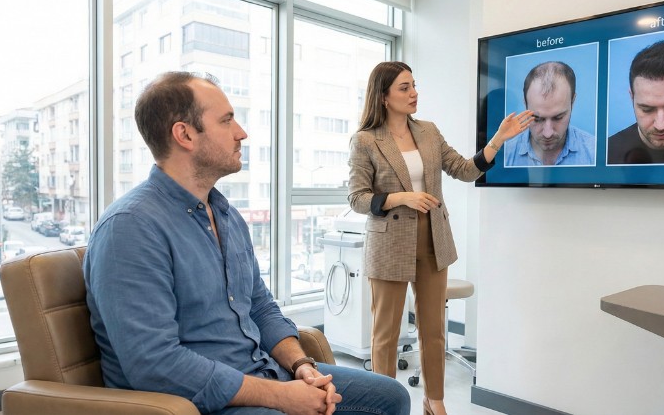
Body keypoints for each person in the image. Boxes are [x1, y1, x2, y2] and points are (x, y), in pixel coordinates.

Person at [84, 71, 411, 415]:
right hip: (201, 403)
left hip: (263, 372)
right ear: (184, 135)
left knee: (391, 397)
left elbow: (259, 306)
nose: (242, 133)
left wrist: (301, 366)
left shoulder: (225, 214)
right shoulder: (130, 229)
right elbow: (156, 364)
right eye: (226, 121)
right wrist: (282, 396)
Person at [347, 61, 533, 415]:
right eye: (404, 88)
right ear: (383, 96)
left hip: (433, 239)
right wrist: (403, 198)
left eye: (414, 85)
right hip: (389, 244)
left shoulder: (428, 132)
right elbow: (357, 198)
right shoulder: (366, 140)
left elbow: (464, 170)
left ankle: (435, 401)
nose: (414, 93)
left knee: (433, 331)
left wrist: (497, 140)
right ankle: (385, 406)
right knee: (385, 335)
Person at [504, 61, 595, 166]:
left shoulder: (596, 152)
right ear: (525, 104)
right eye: (536, 118)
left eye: (558, 117)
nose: (548, 134)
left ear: (573, 102)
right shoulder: (504, 156)